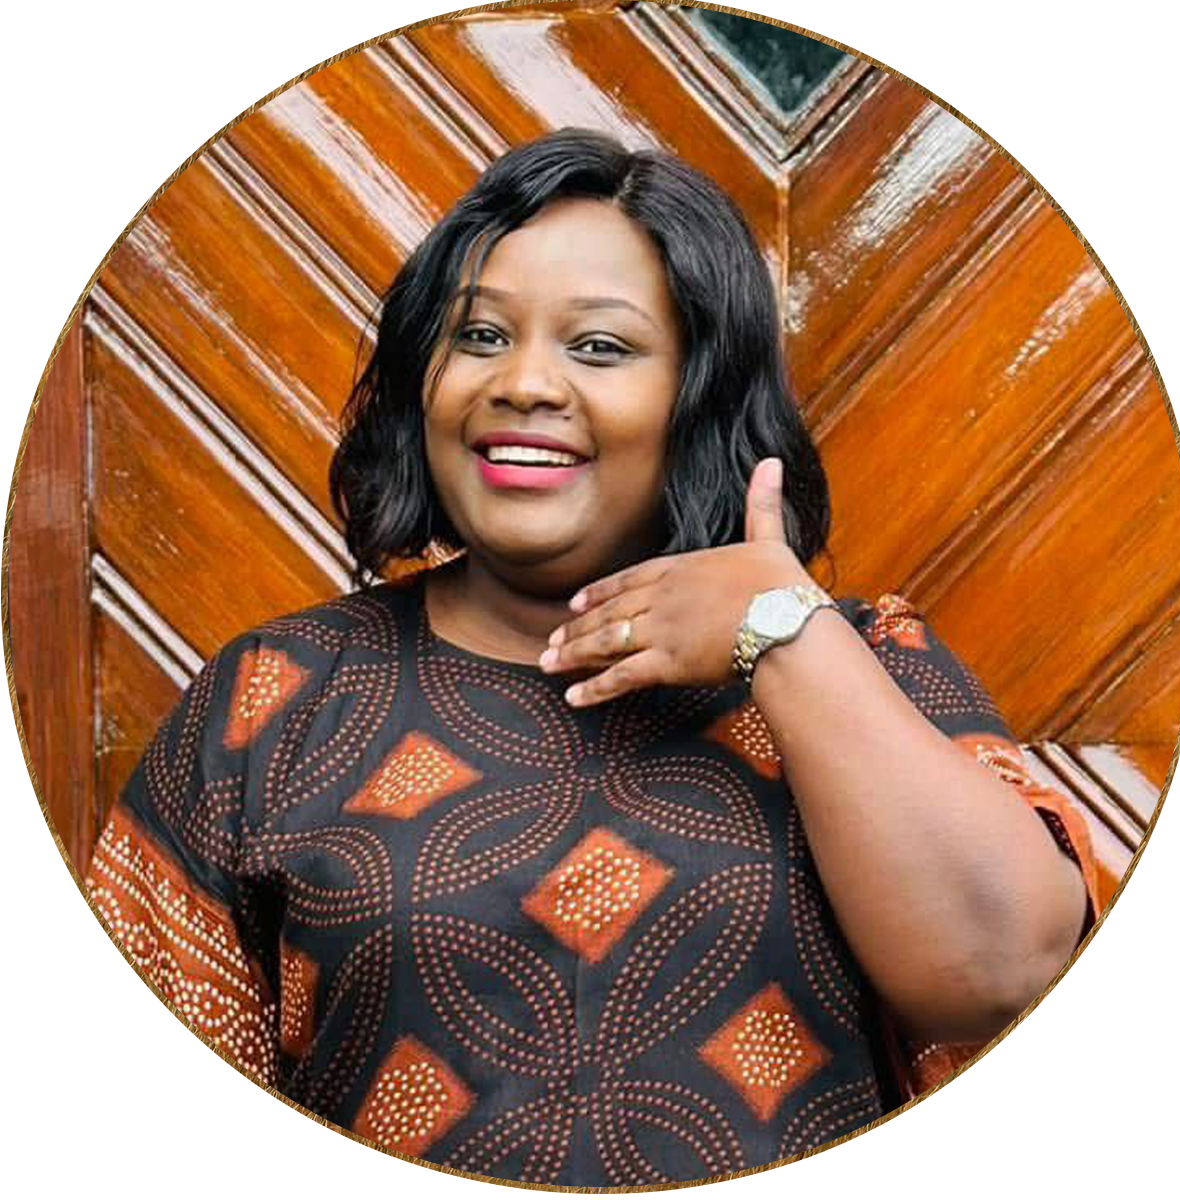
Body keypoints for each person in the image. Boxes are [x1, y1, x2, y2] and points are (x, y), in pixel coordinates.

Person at [85, 128, 1099, 1186]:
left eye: (601, 347)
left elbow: (1004, 977)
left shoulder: (868, 659)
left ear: (699, 396)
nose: (523, 382)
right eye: (479, 336)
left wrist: (784, 637)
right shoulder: (280, 695)